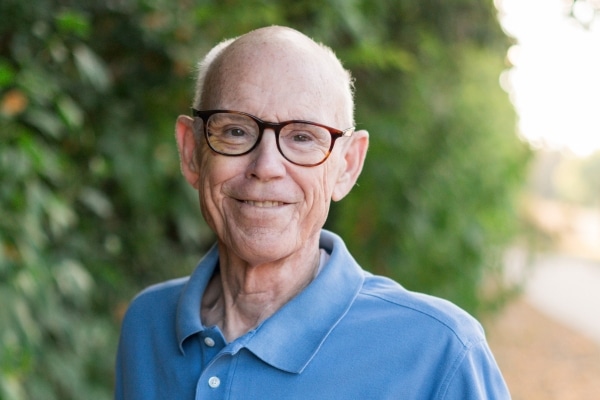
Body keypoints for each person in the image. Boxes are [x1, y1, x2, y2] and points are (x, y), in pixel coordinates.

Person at [115, 26, 510, 399]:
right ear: (191, 153)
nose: (266, 165)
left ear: (347, 166)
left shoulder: (440, 353)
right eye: (235, 130)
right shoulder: (147, 325)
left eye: (303, 137)